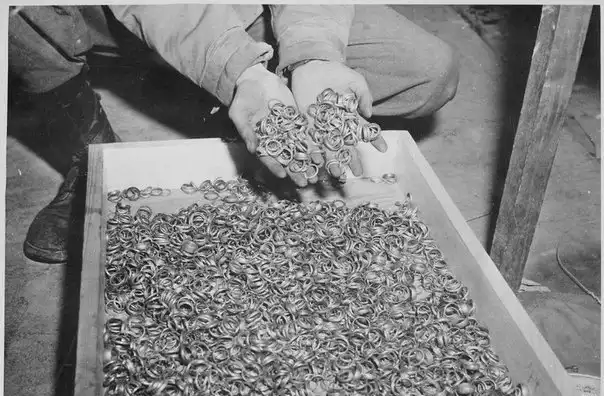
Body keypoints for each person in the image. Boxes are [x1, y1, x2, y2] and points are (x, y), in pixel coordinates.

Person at [9, 5, 459, 264]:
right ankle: (89, 158)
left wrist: (313, 52)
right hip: (113, 15)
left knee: (425, 70)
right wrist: (236, 67)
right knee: (22, 14)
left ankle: (223, 94)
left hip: (239, 10)